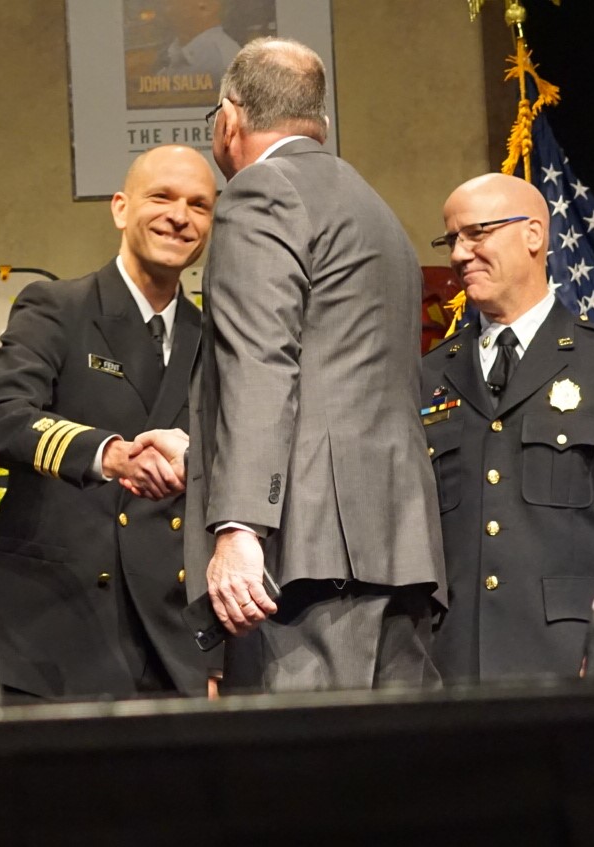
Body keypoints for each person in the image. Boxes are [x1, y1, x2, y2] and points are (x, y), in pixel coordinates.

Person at [184, 38, 445, 692]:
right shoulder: (371, 207)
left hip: (305, 555)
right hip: (398, 545)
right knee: (400, 777)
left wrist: (240, 525)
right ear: (316, 121)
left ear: (227, 118)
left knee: (303, 781)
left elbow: (260, 365)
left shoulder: (260, 194)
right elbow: (339, 381)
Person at [0, 144, 216, 700]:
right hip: (51, 633)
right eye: (162, 197)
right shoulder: (59, 306)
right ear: (121, 208)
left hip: (168, 645)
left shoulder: (214, 338)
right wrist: (107, 454)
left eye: (199, 205)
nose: (180, 216)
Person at [422, 173, 594, 683]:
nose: (458, 254)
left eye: (477, 233)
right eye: (452, 239)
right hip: (449, 661)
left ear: (534, 235)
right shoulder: (429, 374)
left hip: (569, 655)